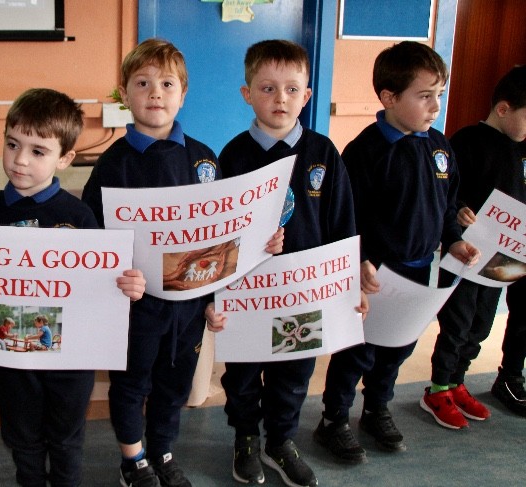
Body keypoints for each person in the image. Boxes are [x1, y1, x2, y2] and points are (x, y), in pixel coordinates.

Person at [81, 37, 284, 487]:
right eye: (143, 83)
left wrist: (253, 250)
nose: (155, 93)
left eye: (167, 84)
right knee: (132, 384)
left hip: (189, 306)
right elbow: (93, 240)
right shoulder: (112, 165)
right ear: (124, 93)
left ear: (183, 93)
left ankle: (162, 450)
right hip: (137, 308)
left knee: (174, 385)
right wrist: (116, 276)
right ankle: (133, 460)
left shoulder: (203, 158)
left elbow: (223, 233)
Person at [0, 87, 146, 487]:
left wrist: (125, 286)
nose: (20, 159)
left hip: (70, 361)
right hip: (11, 361)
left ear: (65, 159)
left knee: (66, 439)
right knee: (21, 437)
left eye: (38, 151)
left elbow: (102, 284)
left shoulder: (79, 216)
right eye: (12, 144)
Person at [314, 41, 480, 463]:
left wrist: (454, 239)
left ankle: (376, 409)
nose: (435, 106)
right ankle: (333, 419)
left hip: (420, 271)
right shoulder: (365, 152)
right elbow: (347, 216)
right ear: (389, 97)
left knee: (397, 349)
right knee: (358, 351)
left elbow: (447, 205)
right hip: (373, 274)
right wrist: (360, 260)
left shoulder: (439, 147)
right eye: (424, 96)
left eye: (439, 94)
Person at [208, 39, 364, 487]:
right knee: (242, 373)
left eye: (292, 89)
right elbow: (217, 233)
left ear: (307, 95)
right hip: (248, 292)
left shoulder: (323, 153)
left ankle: (280, 440)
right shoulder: (232, 156)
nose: (281, 98)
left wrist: (349, 284)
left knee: (294, 371)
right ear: (247, 94)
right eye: (268, 88)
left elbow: (343, 224)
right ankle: (246, 438)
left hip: (302, 292)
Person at [424, 65, 526, 427]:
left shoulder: (521, 149)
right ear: (503, 109)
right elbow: (447, 192)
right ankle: (438, 388)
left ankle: (457, 382)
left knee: (481, 325)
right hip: (466, 255)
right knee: (457, 323)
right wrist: (460, 209)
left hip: (501, 260)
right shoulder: (467, 141)